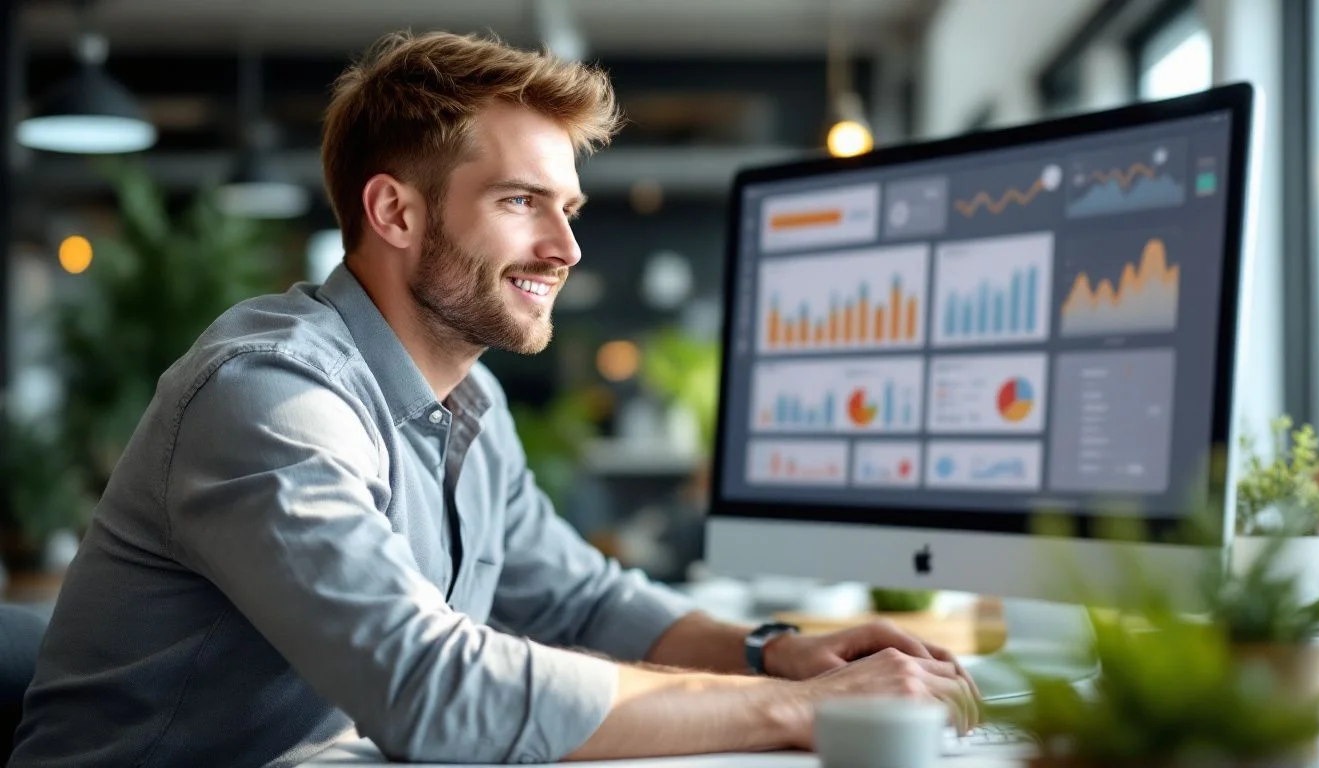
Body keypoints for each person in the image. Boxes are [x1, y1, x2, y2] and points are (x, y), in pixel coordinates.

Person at [9, 31, 980, 767]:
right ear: (395, 210)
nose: (566, 248)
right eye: (522, 202)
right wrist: (801, 713)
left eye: (569, 209)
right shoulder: (269, 398)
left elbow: (572, 596)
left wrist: (774, 655)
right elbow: (422, 685)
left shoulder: (469, 406)